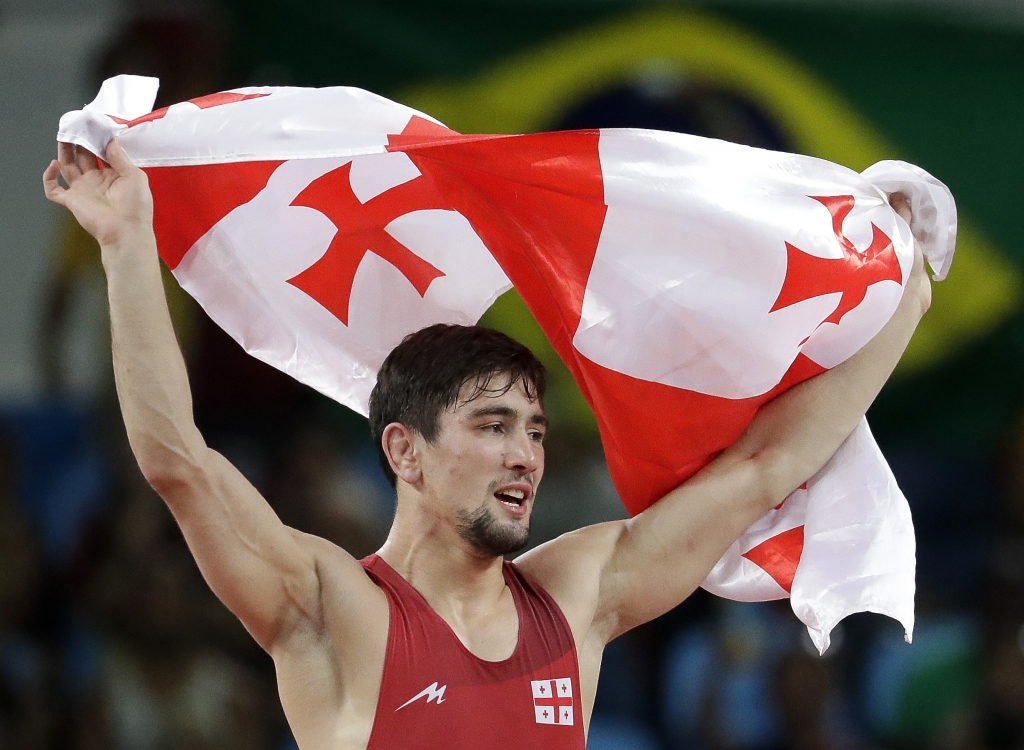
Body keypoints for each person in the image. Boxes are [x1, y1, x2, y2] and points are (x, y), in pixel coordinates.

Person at [43, 138, 931, 750]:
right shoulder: (330, 606)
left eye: (536, 432)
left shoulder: (578, 596)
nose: (527, 456)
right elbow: (178, 462)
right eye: (493, 427)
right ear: (405, 451)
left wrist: (906, 298)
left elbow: (766, 466)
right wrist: (126, 243)